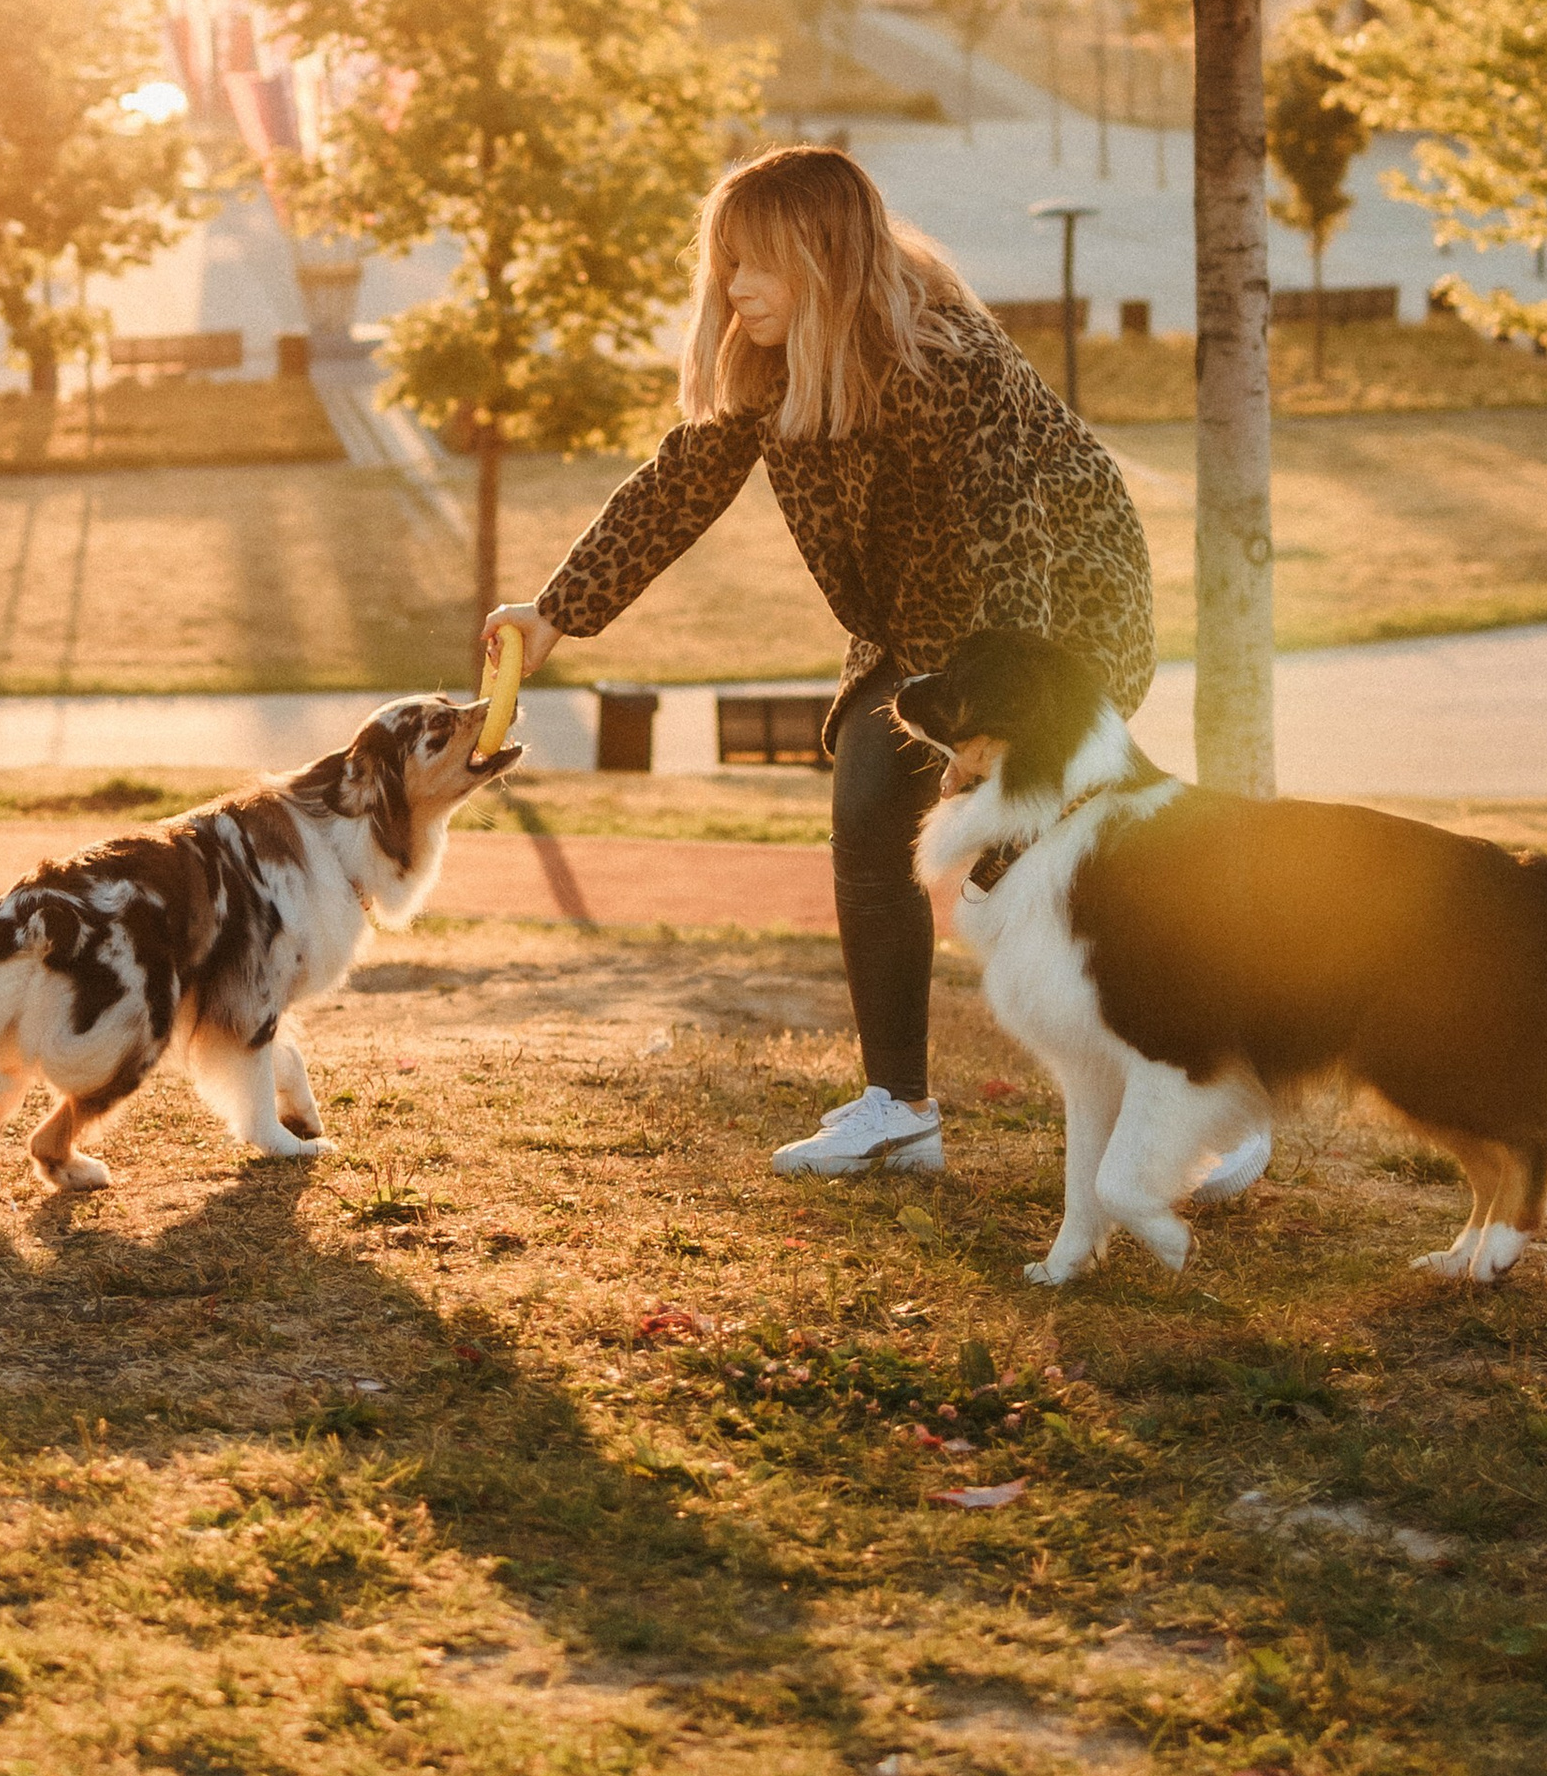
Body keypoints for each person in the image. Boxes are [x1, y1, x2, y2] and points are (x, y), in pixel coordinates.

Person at [489, 142, 1190, 1182]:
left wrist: (1007, 736)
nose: (734, 287)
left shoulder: (945, 362)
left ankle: (1196, 1081)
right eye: (725, 263)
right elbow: (677, 486)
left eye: (758, 264)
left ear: (825, 257)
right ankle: (898, 1106)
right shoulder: (766, 364)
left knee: (1063, 864)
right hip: (918, 621)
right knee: (868, 811)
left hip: (1058, 617)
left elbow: (1013, 548)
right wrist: (556, 612)